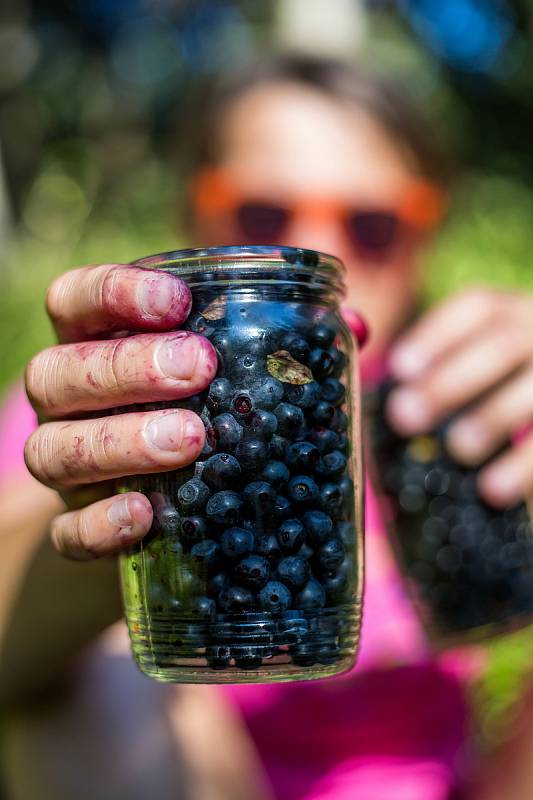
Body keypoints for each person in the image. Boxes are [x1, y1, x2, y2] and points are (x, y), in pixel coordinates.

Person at [2, 54, 533, 800]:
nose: (317, 248)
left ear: (429, 225)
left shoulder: (473, 408)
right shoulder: (118, 397)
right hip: (188, 776)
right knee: (101, 682)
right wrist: (114, 510)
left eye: (372, 224)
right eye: (260, 215)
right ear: (193, 206)